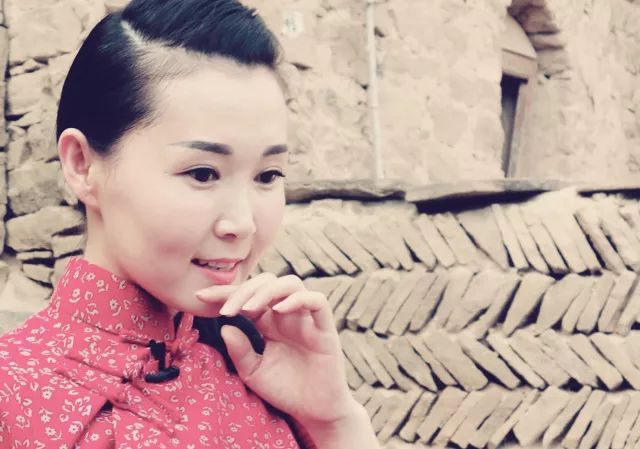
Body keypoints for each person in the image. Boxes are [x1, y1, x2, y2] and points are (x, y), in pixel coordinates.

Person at [0, 1, 381, 447]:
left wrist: (335, 421)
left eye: (268, 175)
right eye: (202, 173)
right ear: (83, 165)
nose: (242, 224)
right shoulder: (13, 392)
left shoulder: (272, 376)